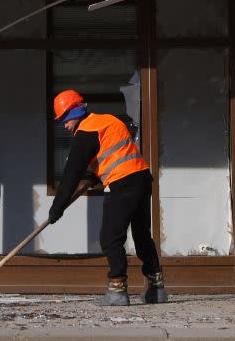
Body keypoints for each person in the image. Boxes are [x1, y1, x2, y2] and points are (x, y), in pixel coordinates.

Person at [48, 89, 168, 307]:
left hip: (122, 183)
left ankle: (117, 290)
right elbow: (115, 152)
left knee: (110, 238)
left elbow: (70, 177)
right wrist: (96, 176)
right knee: (141, 236)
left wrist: (57, 208)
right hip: (142, 179)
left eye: (64, 119)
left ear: (74, 113)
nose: (64, 125)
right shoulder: (107, 120)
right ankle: (157, 288)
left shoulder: (85, 133)